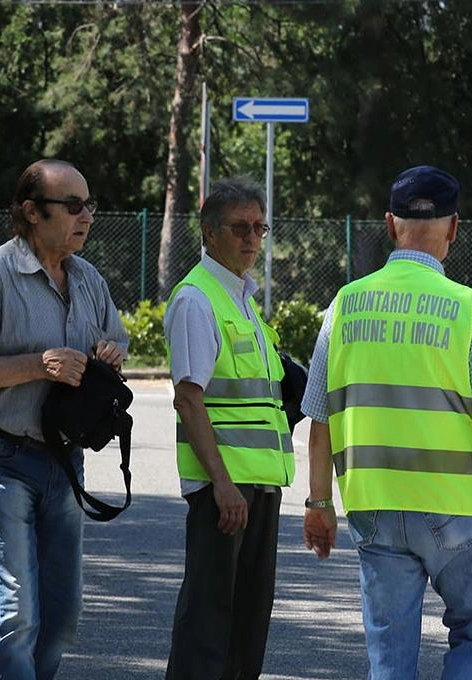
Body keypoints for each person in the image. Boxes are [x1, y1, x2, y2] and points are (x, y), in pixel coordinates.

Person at [301, 165, 472, 679]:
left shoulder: (344, 306)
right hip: (458, 510)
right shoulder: (466, 309)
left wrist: (319, 504)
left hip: (375, 506)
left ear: (389, 224)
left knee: (390, 654)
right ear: (454, 228)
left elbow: (321, 419)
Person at [0, 158, 128, 679]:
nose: (86, 215)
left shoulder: (88, 279)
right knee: (16, 613)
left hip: (64, 464)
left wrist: (110, 351)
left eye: (89, 204)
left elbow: (118, 339)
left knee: (63, 617)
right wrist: (37, 364)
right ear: (31, 212)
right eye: (72, 205)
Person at [163, 175, 294, 679]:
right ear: (208, 231)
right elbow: (189, 400)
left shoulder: (241, 300)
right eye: (240, 227)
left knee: (247, 619)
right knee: (209, 618)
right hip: (226, 489)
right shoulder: (197, 299)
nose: (252, 239)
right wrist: (221, 484)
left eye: (260, 228)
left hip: (258, 483)